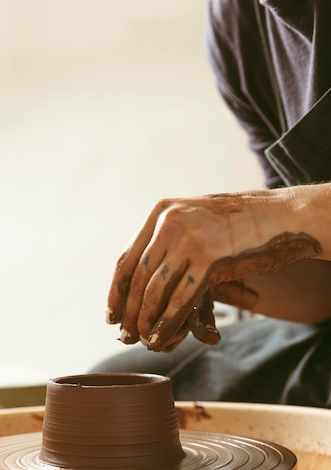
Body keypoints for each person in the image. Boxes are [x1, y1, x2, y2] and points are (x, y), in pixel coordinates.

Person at [89, 0, 331, 408]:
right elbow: (322, 294)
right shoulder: (239, 20)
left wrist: (282, 215)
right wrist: (220, 267)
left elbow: (292, 216)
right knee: (116, 398)